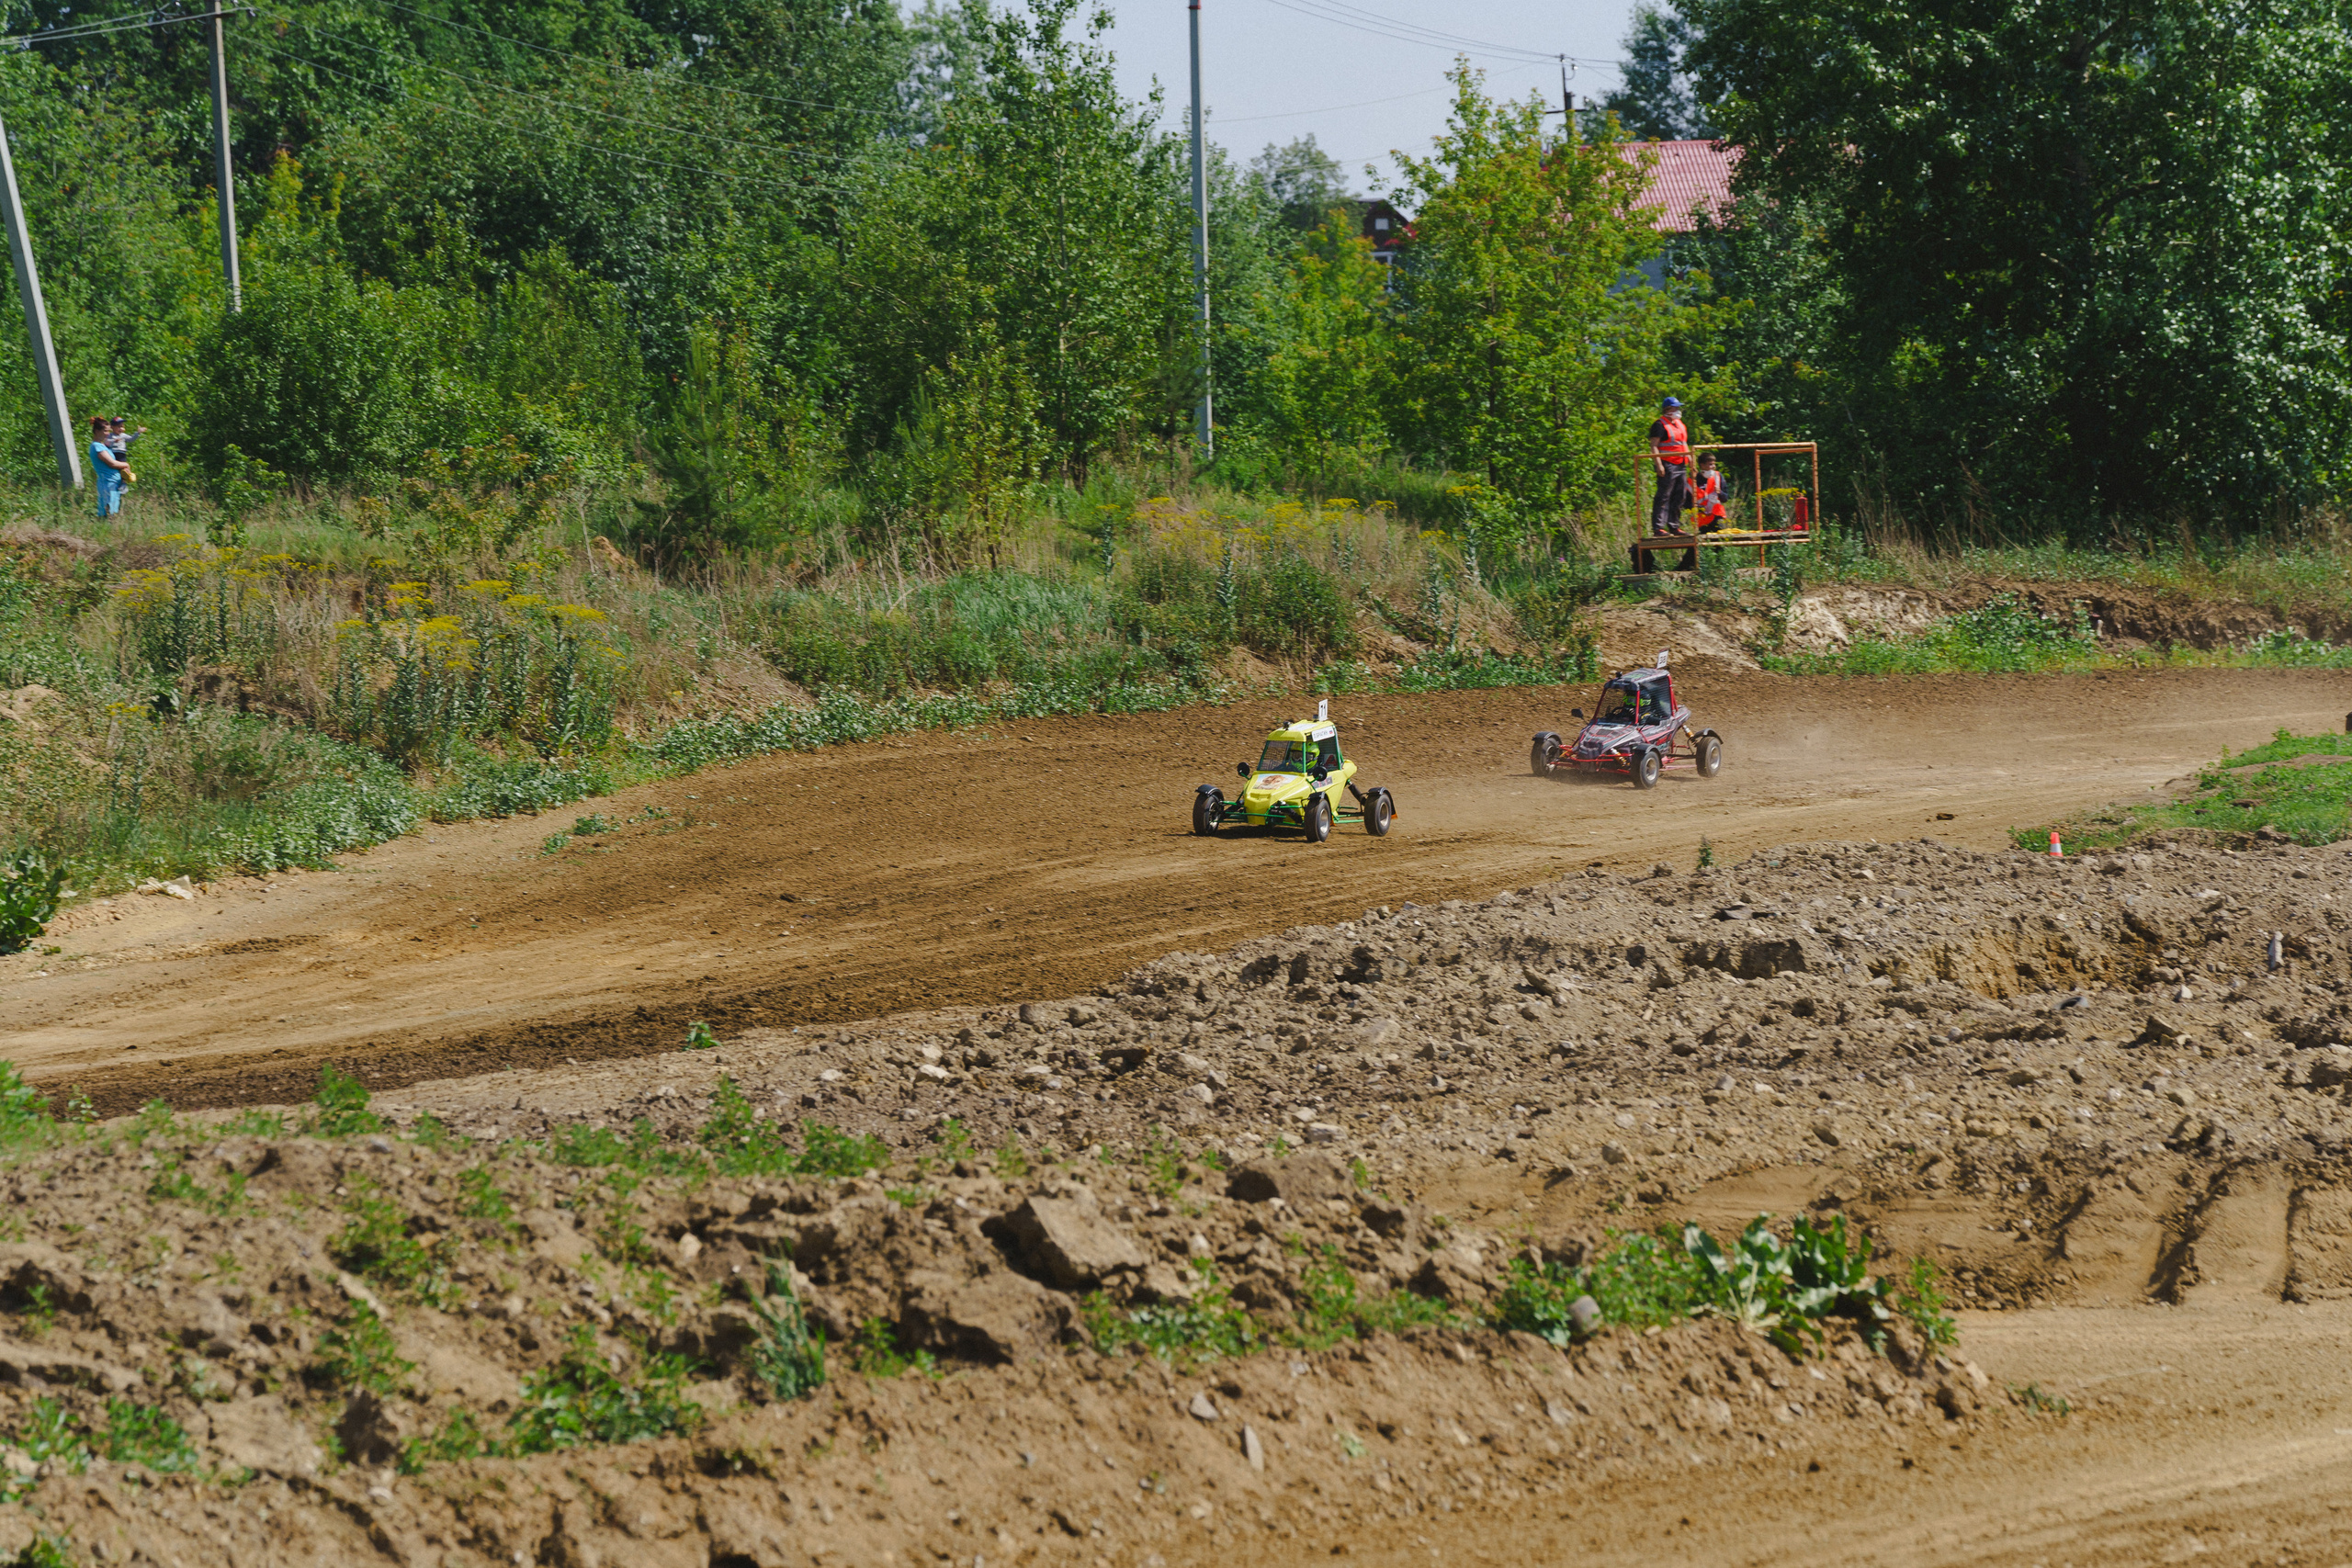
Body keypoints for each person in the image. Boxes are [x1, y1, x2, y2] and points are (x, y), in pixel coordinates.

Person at [1647, 396, 1697, 570]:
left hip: (1680, 463)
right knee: (1663, 496)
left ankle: (1674, 526)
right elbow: (1654, 445)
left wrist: (1691, 461)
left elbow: (1683, 444)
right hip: (1667, 464)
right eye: (1675, 408)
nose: (1678, 411)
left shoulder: (1680, 425)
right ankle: (1658, 528)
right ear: (1667, 409)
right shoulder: (1659, 425)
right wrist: (1658, 463)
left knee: (1680, 496)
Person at [87, 415, 130, 518]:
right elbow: (112, 463)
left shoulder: (103, 446)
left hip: (113, 484)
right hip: (107, 484)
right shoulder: (97, 447)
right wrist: (126, 464)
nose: (108, 434)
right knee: (108, 513)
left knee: (113, 513)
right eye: (105, 431)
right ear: (97, 431)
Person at [1691, 451, 1729, 533]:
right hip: (1701, 518)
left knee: (1721, 541)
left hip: (1717, 516)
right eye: (1710, 464)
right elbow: (1687, 503)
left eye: (1714, 464)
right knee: (1703, 543)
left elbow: (1725, 498)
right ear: (1702, 465)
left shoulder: (1718, 476)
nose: (1713, 467)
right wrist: (1701, 509)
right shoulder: (1694, 480)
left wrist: (1720, 492)